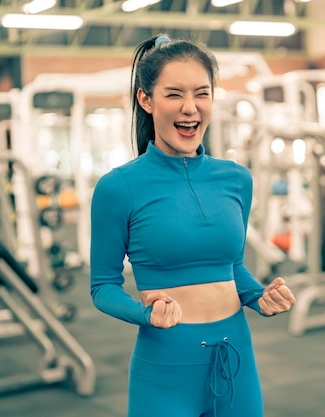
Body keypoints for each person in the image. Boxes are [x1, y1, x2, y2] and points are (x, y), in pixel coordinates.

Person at [89, 33, 297, 417]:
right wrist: (144, 313)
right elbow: (102, 286)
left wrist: (258, 296)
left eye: (202, 93)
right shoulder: (118, 187)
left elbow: (232, 267)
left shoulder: (236, 178)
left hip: (236, 357)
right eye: (174, 94)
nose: (190, 108)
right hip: (165, 368)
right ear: (145, 100)